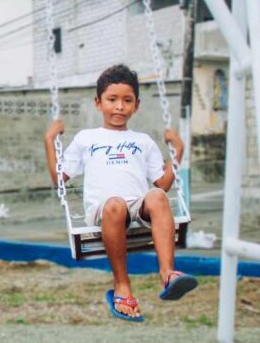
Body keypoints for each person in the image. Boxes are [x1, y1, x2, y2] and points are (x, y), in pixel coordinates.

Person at [44, 63, 197, 322]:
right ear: (98, 102)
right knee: (114, 205)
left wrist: (177, 151)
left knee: (158, 196)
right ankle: (122, 286)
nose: (119, 106)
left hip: (137, 207)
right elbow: (60, 177)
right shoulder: (86, 138)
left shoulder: (143, 141)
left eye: (127, 101)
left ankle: (169, 274)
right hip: (104, 211)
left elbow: (162, 183)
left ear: (136, 105)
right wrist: (50, 141)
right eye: (112, 99)